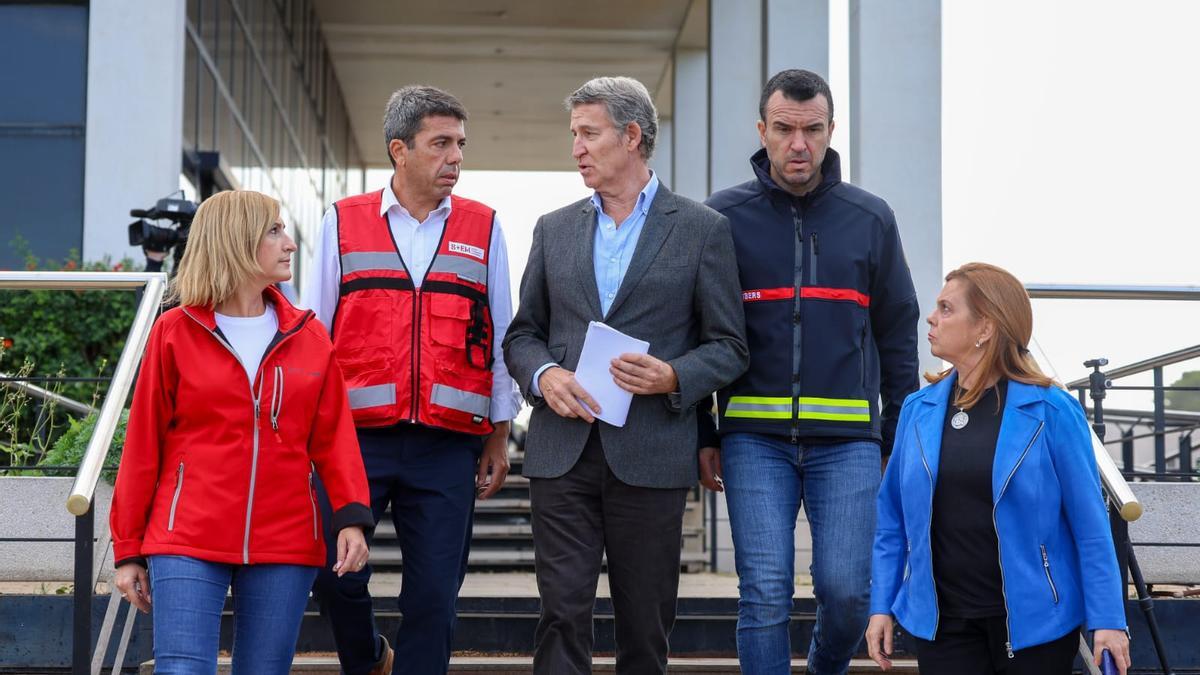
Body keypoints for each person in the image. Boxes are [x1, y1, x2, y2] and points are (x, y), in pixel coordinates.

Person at [503, 76, 748, 675]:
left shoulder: (701, 229)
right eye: (574, 135)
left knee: (646, 622)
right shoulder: (552, 228)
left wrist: (673, 376)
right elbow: (521, 334)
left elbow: (730, 346)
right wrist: (544, 376)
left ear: (632, 136)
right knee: (561, 613)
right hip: (561, 451)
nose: (577, 148)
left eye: (589, 134)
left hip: (653, 453)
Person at [700, 68, 920, 675]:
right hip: (751, 440)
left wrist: (894, 436)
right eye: (785, 129)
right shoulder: (720, 219)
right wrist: (704, 434)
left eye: (813, 130)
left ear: (830, 130)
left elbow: (898, 332)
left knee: (849, 592)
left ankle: (826, 669)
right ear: (762, 130)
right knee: (764, 593)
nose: (800, 144)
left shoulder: (870, 217)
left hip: (849, 442)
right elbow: (696, 334)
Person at [303, 85, 520, 675]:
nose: (455, 158)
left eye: (461, 145)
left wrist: (499, 434)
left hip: (448, 444)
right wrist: (307, 437)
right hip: (353, 441)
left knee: (432, 596)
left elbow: (502, 335)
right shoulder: (342, 223)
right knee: (333, 572)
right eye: (441, 144)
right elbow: (313, 336)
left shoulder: (485, 226)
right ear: (400, 149)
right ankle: (368, 658)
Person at [110, 190, 373, 673]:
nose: (289, 244)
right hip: (186, 535)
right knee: (183, 669)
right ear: (235, 241)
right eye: (274, 231)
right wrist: (128, 549)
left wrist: (352, 518)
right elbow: (143, 445)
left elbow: (335, 440)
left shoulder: (310, 337)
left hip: (286, 537)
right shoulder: (175, 331)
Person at [865, 262, 1131, 675]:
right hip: (942, 626)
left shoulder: (1052, 410)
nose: (932, 318)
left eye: (947, 309)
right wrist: (881, 604)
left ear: (985, 327)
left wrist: (1108, 619)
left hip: (1036, 625)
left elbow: (1091, 527)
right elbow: (891, 522)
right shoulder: (917, 410)